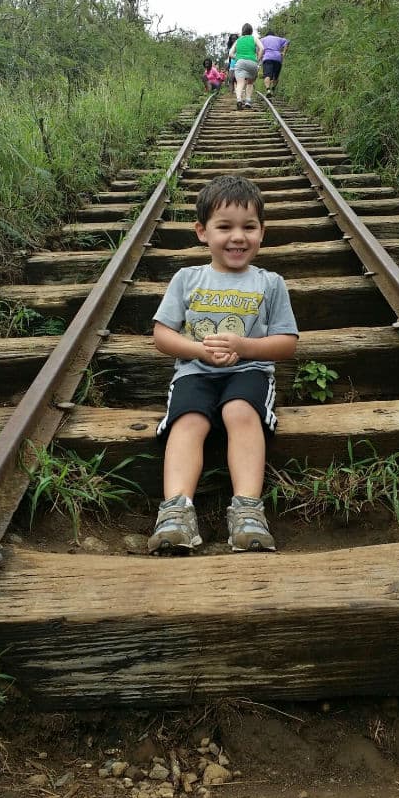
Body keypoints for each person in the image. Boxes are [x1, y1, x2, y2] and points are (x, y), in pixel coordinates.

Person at [149, 174, 299, 555]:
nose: (238, 237)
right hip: (195, 371)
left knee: (239, 412)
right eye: (225, 227)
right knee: (189, 421)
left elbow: (286, 343)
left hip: (248, 372)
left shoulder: (270, 283)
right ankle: (176, 511)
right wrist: (198, 350)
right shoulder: (187, 278)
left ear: (262, 232)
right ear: (202, 232)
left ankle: (248, 509)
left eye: (249, 227)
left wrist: (245, 347)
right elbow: (162, 335)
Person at [228, 24, 264, 110]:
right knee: (250, 83)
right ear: (251, 31)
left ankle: (239, 99)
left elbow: (230, 53)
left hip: (240, 63)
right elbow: (262, 48)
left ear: (242, 31)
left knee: (240, 83)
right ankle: (248, 101)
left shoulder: (238, 40)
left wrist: (237, 58)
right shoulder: (254, 38)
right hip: (252, 62)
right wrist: (258, 59)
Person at [261, 32, 289, 98]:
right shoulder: (278, 39)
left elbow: (259, 48)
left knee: (267, 75)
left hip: (267, 58)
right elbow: (287, 41)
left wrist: (261, 56)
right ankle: (273, 89)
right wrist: (284, 53)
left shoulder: (263, 39)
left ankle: (268, 90)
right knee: (275, 76)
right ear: (274, 35)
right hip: (277, 58)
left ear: (266, 35)